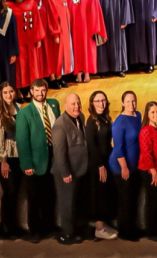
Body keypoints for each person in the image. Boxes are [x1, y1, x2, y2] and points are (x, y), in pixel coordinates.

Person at [15, 79, 60, 239]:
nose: (40, 94)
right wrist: (27, 164)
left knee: (49, 195)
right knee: (34, 198)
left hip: (53, 158)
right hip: (35, 161)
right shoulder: (24, 113)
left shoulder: (54, 104)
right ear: (31, 92)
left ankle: (48, 227)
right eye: (37, 91)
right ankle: (35, 231)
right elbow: (21, 141)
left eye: (43, 90)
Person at [51, 93, 89, 244]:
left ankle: (76, 229)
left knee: (75, 202)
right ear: (65, 106)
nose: (76, 107)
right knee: (66, 203)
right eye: (73, 104)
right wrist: (66, 172)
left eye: (78, 103)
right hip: (65, 173)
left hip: (79, 169)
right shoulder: (59, 125)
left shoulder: (81, 117)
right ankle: (67, 234)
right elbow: (59, 152)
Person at [0, 83, 22, 238]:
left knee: (16, 192)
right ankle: (5, 226)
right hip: (5, 157)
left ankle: (13, 224)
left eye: (11, 91)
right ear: (0, 95)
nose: (9, 95)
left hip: (19, 156)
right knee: (9, 190)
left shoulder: (20, 108)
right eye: (5, 92)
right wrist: (3, 160)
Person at [109, 91, 142, 240]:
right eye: (128, 102)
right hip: (121, 167)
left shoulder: (138, 115)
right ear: (122, 103)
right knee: (125, 200)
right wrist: (124, 167)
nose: (131, 104)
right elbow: (118, 148)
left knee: (133, 197)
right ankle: (125, 231)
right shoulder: (119, 123)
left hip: (135, 166)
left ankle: (132, 227)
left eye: (133, 101)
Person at [85, 91, 117, 240]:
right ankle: (98, 227)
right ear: (92, 103)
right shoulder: (91, 121)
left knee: (105, 192)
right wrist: (99, 165)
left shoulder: (105, 118)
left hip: (106, 161)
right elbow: (91, 145)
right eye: (97, 101)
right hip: (97, 163)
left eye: (103, 100)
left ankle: (103, 223)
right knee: (98, 193)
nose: (101, 104)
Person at [139, 101, 157, 240]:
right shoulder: (146, 131)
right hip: (151, 170)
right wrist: (154, 172)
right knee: (153, 200)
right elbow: (146, 153)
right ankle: (151, 231)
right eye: (152, 112)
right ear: (147, 114)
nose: (156, 114)